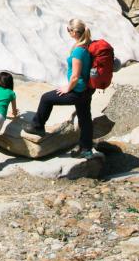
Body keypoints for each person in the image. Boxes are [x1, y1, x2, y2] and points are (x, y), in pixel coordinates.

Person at [24, 18, 96, 158]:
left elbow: (75, 76)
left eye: (68, 30)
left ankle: (37, 127)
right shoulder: (87, 45)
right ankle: (86, 150)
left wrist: (68, 88)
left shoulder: (78, 51)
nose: (68, 32)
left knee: (46, 98)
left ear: (74, 32)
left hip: (78, 90)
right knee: (85, 119)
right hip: (86, 90)